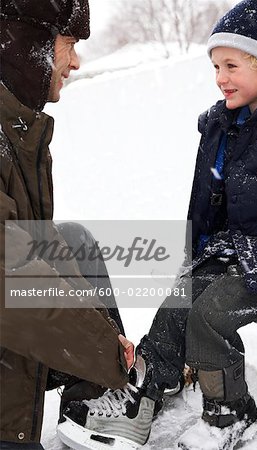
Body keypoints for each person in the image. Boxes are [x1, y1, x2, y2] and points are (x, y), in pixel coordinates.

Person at [59, 0, 257, 449]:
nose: (220, 77)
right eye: (215, 66)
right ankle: (149, 386)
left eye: (231, 65)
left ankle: (228, 416)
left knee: (209, 316)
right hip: (233, 248)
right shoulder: (222, 123)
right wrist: (194, 255)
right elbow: (207, 197)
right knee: (180, 296)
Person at [0, 1, 135, 449]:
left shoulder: (15, 129)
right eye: (70, 43)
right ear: (30, 42)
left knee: (70, 240)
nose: (76, 61)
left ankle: (94, 401)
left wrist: (103, 344)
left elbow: (33, 246)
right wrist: (107, 353)